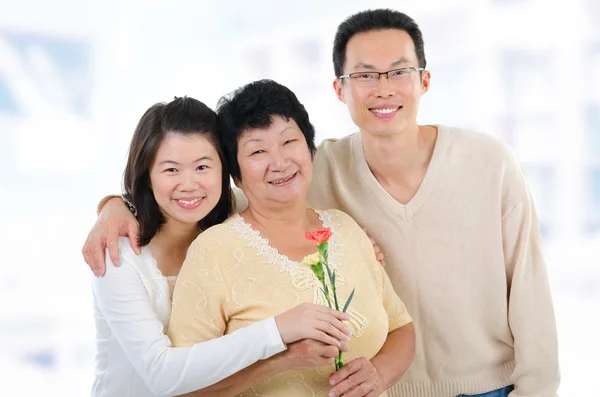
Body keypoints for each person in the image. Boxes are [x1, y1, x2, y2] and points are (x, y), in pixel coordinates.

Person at [83, 8, 560, 397]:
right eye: (364, 75)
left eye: (399, 71)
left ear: (425, 80)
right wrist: (117, 204)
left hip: (490, 387)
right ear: (340, 89)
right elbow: (202, 192)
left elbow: (524, 291)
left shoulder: (483, 164)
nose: (383, 87)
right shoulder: (299, 185)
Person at [166, 79, 415, 397]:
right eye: (257, 150)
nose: (280, 162)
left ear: (310, 150)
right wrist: (281, 360)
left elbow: (401, 327)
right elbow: (180, 387)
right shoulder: (212, 252)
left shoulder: (345, 228)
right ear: (236, 175)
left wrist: (379, 373)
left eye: (289, 142)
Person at [91, 96, 352, 397]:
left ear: (225, 170)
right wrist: (278, 331)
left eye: (202, 167)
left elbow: (288, 210)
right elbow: (161, 375)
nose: (189, 184)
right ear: (147, 175)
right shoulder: (118, 257)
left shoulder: (230, 220)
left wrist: (352, 243)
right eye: (171, 170)